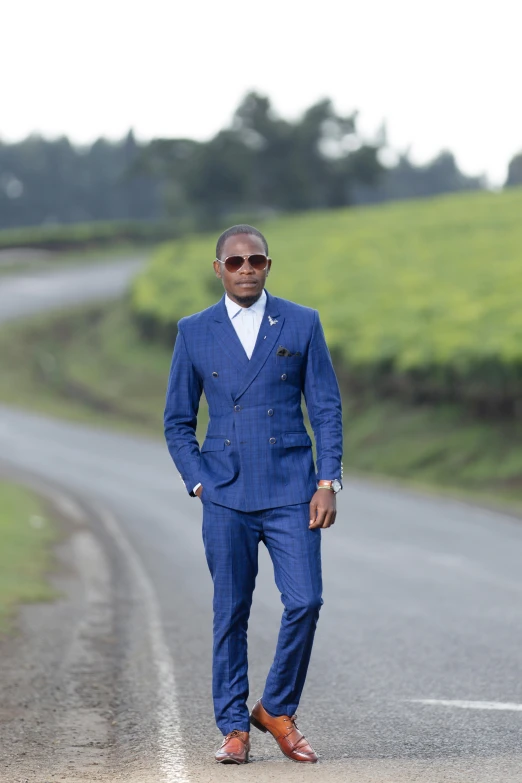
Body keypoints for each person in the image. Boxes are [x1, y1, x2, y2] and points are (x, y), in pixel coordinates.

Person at [164, 224, 343, 764]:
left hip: (293, 486)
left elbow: (327, 408)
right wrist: (198, 480)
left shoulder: (302, 321)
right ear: (217, 268)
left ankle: (277, 709)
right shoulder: (194, 330)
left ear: (269, 265)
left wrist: (327, 481)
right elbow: (177, 421)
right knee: (230, 611)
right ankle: (233, 728)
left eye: (256, 261)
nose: (246, 269)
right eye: (235, 261)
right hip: (224, 490)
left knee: (305, 600)